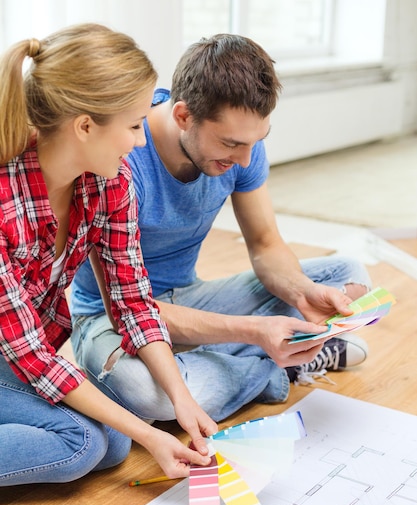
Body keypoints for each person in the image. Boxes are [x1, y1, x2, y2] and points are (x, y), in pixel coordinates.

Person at [0, 22, 255, 487]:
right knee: (85, 444)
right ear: (84, 126)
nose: (142, 141)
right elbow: (31, 354)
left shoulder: (109, 181)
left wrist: (182, 400)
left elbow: (133, 303)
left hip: (19, 350)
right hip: (16, 351)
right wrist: (152, 437)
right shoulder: (4, 198)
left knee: (113, 444)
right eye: (135, 125)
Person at [70, 33, 372, 425]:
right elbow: (128, 307)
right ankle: (273, 366)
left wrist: (301, 290)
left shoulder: (242, 145)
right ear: (183, 116)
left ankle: (228, 360)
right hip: (109, 320)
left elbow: (265, 244)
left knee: (349, 277)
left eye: (256, 141)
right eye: (231, 143)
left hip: (190, 299)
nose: (245, 159)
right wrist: (254, 331)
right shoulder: (120, 158)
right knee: (148, 395)